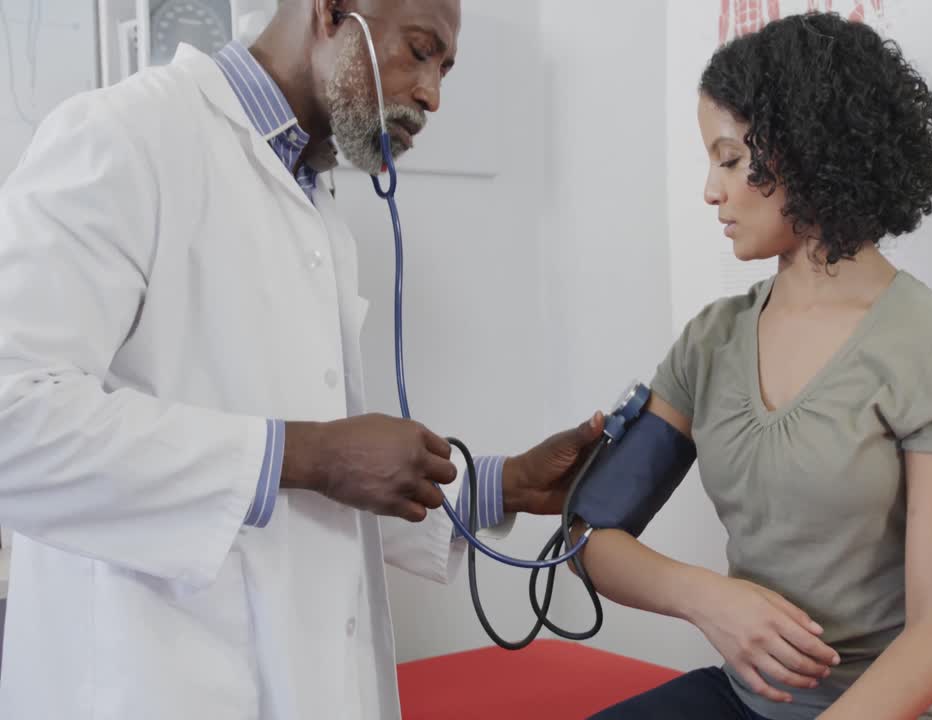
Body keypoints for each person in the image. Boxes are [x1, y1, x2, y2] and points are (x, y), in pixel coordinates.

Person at [0, 1, 603, 718]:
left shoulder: (313, 203)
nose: (433, 94)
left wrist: (501, 487)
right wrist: (310, 454)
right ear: (331, 12)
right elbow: (15, 420)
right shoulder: (122, 136)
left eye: (445, 68)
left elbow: (320, 477)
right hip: (146, 685)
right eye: (420, 51)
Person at [579, 13, 932, 720]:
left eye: (729, 159)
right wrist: (708, 598)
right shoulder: (711, 341)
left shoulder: (930, 343)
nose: (711, 190)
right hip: (751, 700)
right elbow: (592, 535)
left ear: (805, 151)